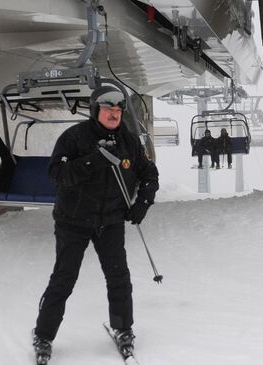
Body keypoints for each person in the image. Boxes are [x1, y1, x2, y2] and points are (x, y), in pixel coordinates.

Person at [32, 85, 159, 362]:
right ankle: (43, 334)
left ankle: (123, 328)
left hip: (110, 221)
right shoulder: (74, 138)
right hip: (73, 221)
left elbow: (149, 174)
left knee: (119, 278)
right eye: (107, 109)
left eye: (117, 110)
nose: (114, 114)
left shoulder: (129, 141)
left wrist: (142, 203)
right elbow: (57, 173)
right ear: (95, 110)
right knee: (64, 279)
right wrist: (93, 161)